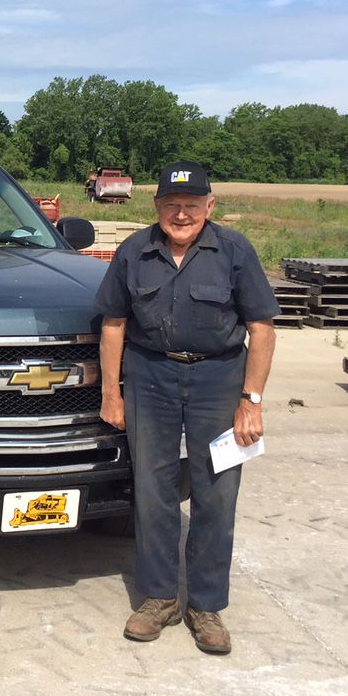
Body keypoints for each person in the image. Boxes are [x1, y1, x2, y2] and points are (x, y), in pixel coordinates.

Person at [93, 160, 278, 655]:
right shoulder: (135, 251)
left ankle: (205, 605)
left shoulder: (234, 251)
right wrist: (113, 393)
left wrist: (251, 402)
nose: (181, 215)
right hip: (150, 377)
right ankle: (158, 599)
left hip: (220, 379)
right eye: (171, 205)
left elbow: (261, 328)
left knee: (216, 492)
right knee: (153, 491)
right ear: (155, 206)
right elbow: (113, 324)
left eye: (191, 205)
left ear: (209, 206)